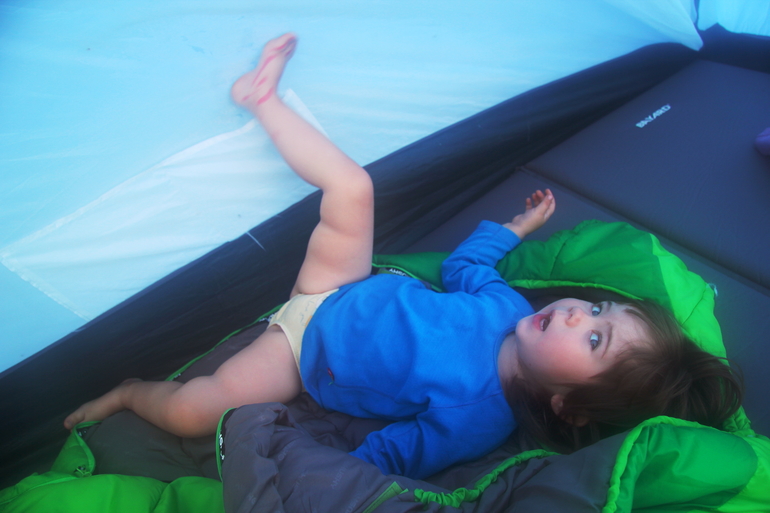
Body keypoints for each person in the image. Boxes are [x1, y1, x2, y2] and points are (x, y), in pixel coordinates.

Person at [64, 33, 743, 479]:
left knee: (194, 411)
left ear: (568, 406)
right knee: (353, 189)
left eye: (595, 339)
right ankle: (262, 99)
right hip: (340, 287)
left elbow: (382, 456)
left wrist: (313, 460)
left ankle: (129, 391)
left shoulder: (478, 419)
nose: (575, 313)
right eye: (597, 310)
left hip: (299, 356)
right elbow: (464, 269)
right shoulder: (506, 306)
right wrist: (512, 228)